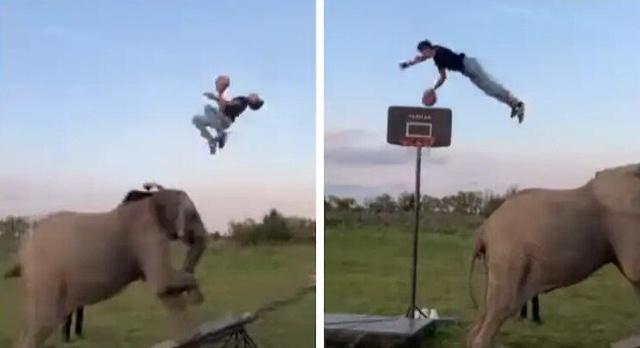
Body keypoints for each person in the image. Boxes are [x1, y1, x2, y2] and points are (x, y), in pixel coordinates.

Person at [400, 39, 525, 123]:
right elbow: (443, 77)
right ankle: (513, 106)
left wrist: (411, 63)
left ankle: (517, 103)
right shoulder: (438, 60)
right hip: (467, 71)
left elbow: (423, 58)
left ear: (427, 48)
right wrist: (434, 88)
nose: (422, 53)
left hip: (469, 65)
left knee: (491, 86)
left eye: (423, 51)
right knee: (489, 91)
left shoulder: (438, 51)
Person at [192, 75, 264, 155]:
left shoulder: (243, 101)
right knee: (196, 119)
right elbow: (224, 106)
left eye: (255, 97)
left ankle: (220, 133)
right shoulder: (243, 101)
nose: (254, 94)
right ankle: (212, 141)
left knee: (208, 108)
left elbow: (227, 105)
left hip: (225, 120)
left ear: (254, 101)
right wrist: (217, 97)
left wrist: (219, 94)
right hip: (220, 119)